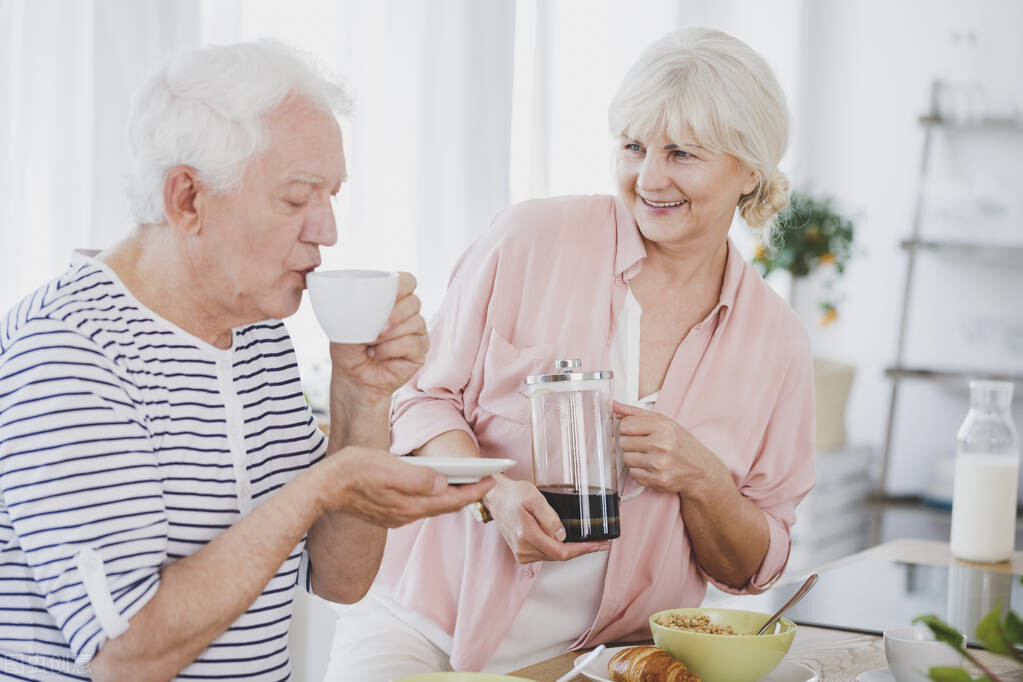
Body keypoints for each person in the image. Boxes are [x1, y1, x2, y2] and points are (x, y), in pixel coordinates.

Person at [326, 26, 816, 678]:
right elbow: (421, 399)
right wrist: (491, 492)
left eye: (682, 154)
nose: (649, 178)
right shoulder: (532, 239)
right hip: (421, 627)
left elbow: (752, 567)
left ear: (749, 168)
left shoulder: (775, 341)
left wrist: (700, 477)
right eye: (633, 146)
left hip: (600, 661)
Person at [0, 41, 493, 681]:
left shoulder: (256, 330)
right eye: (297, 198)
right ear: (187, 199)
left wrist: (361, 398)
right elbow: (124, 656)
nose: (328, 230)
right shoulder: (69, 351)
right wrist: (319, 487)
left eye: (332, 195)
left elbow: (340, 578)